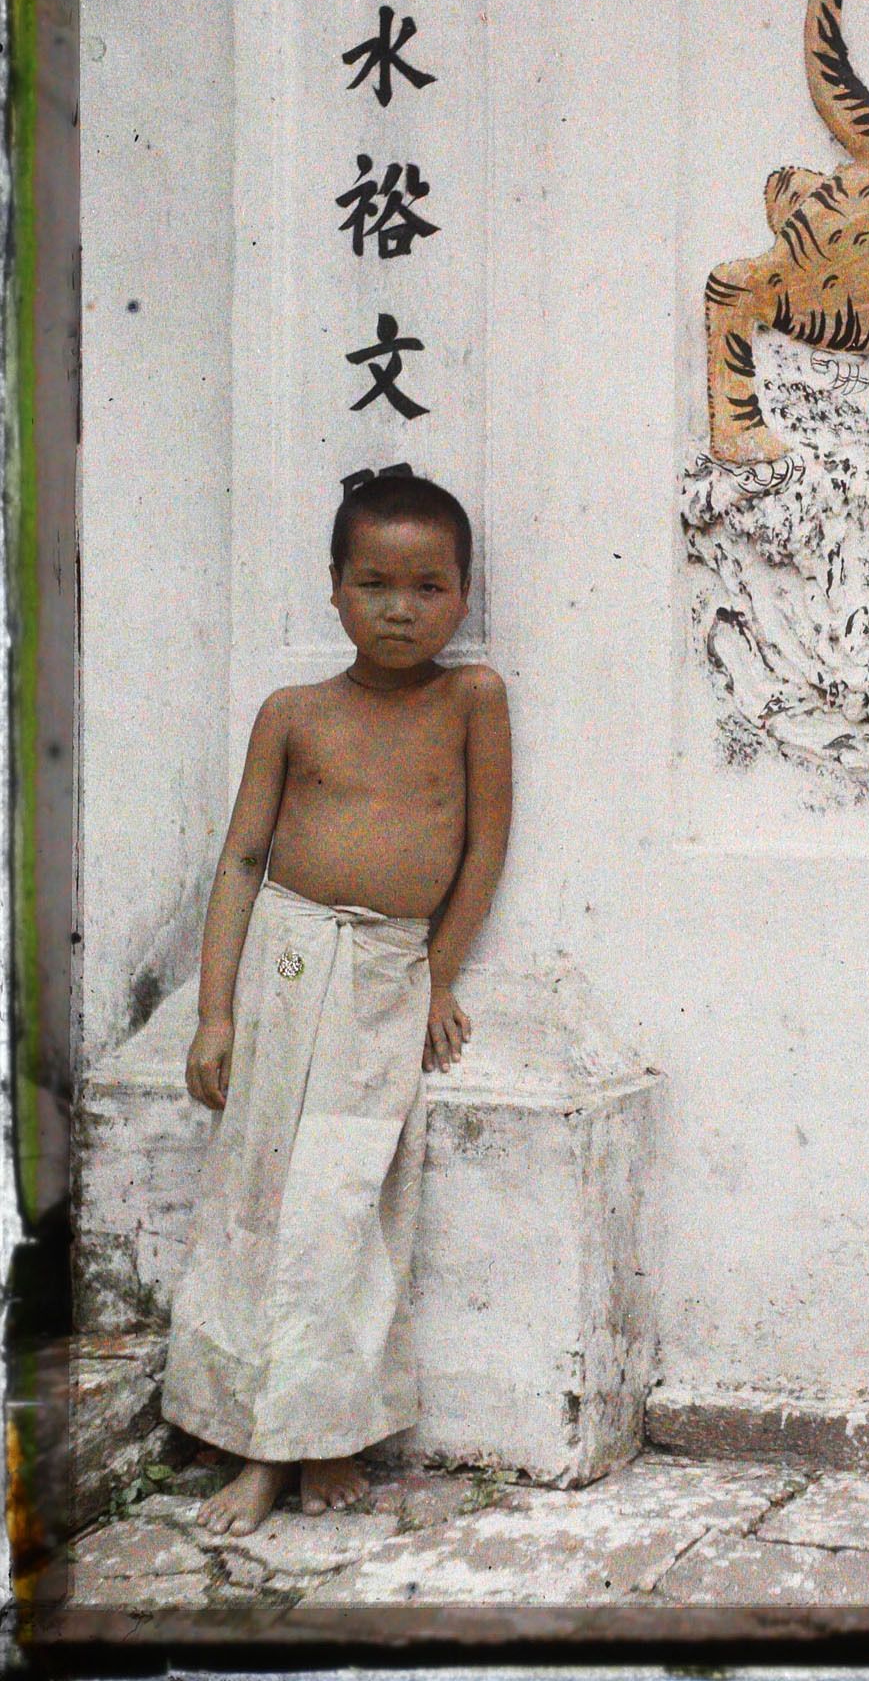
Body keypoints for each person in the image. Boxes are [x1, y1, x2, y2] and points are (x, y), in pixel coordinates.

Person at [160, 468, 513, 1536]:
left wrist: (439, 974)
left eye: (427, 585)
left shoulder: (473, 699)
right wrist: (216, 1010)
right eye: (373, 583)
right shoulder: (294, 712)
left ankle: (326, 1434)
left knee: (342, 1209)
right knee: (258, 1205)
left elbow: (485, 845)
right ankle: (259, 1448)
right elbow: (239, 863)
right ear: (332, 590)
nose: (400, 607)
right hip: (284, 969)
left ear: (461, 595)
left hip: (383, 978)